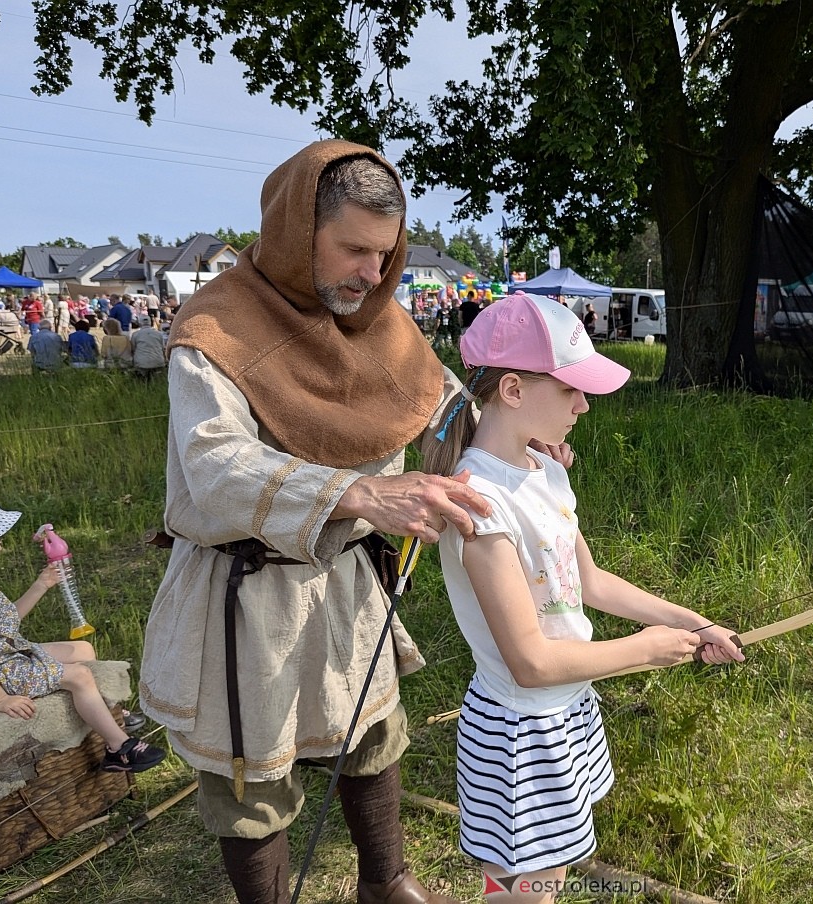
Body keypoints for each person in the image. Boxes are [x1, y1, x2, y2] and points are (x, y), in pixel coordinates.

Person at [140, 140, 510, 904]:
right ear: (296, 228)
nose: (373, 275)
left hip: (345, 577)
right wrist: (363, 495)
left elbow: (439, 410)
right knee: (253, 771)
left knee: (372, 731)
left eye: (385, 254)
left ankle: (386, 882)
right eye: (354, 250)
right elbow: (213, 465)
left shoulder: (377, 317)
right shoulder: (214, 329)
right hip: (248, 594)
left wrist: (515, 436)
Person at [424, 292, 744, 901]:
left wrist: (694, 623)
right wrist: (646, 651)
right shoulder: (480, 504)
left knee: (542, 870)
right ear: (513, 391)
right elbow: (531, 661)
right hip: (523, 729)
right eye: (571, 389)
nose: (585, 404)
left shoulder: (547, 472)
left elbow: (589, 583)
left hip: (566, 708)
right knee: (532, 884)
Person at [0, 492, 166, 772]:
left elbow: (5, 623)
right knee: (79, 675)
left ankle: (105, 712)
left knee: (83, 650)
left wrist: (42, 583)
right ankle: (118, 748)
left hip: (5, 652)